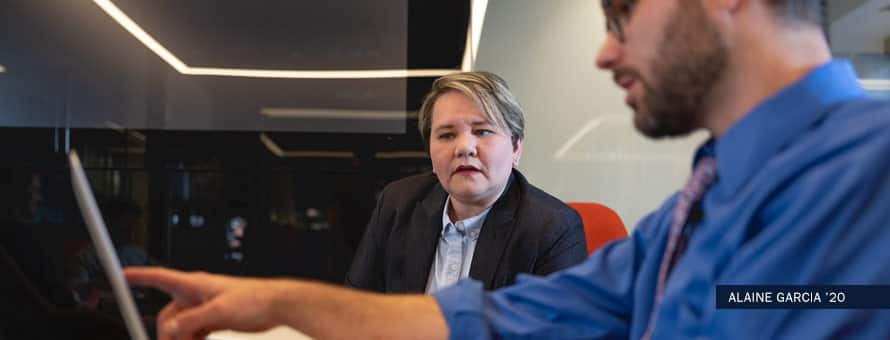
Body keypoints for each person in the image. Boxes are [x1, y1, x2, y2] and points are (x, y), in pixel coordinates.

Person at [125, 0, 890, 338]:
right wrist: (279, 304)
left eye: (622, 11)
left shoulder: (871, 168)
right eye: (445, 134)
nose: (605, 50)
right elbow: (506, 321)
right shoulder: (690, 218)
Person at [345, 71, 587, 293]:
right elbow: (356, 305)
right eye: (446, 135)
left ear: (515, 147)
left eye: (482, 131)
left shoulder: (553, 228)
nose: (464, 148)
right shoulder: (398, 203)